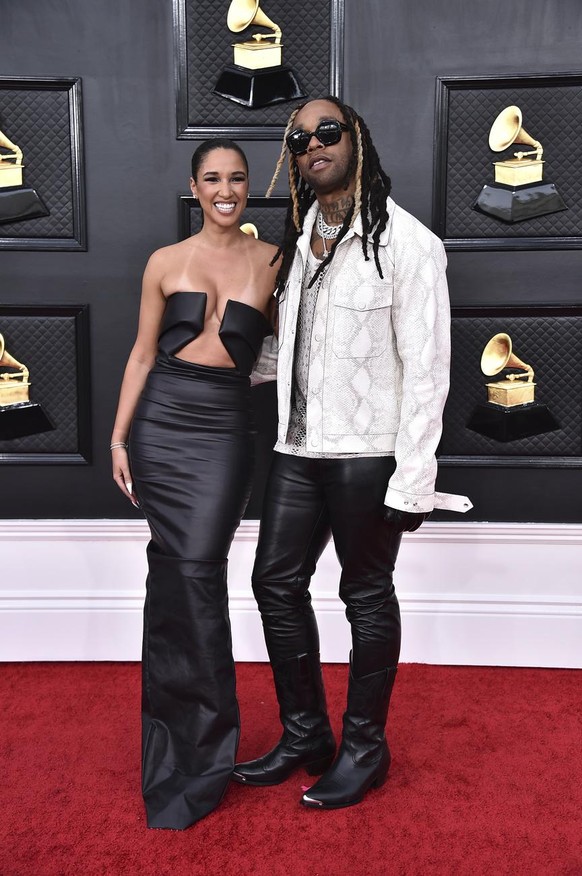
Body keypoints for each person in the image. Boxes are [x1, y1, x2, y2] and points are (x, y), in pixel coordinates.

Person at [232, 97, 472, 809]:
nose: (313, 145)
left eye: (327, 132)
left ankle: (366, 747)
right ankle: (307, 733)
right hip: (298, 449)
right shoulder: (302, 239)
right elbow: (292, 352)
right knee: (275, 583)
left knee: (364, 595)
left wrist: (413, 480)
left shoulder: (409, 246)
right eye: (300, 138)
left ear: (356, 140)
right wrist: (218, 363)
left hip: (369, 457)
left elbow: (429, 371)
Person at [110, 138, 279, 830]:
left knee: (197, 576)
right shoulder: (164, 262)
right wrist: (120, 438)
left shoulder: (274, 260)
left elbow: (291, 348)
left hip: (223, 432)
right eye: (213, 178)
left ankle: (203, 754)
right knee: (174, 581)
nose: (226, 189)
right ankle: (174, 748)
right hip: (161, 428)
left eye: (237, 178)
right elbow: (143, 352)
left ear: (247, 187)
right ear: (194, 185)